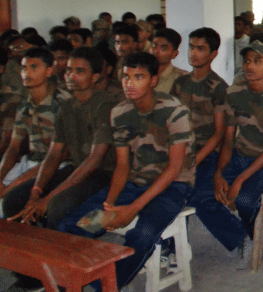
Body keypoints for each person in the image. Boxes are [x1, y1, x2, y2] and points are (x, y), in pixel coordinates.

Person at [58, 52, 195, 290]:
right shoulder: (120, 112)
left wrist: (131, 210)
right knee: (74, 226)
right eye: (125, 76)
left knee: (141, 235)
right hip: (136, 182)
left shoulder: (174, 111)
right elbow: (122, 165)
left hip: (173, 185)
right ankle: (67, 284)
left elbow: (174, 169)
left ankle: (107, 286)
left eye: (138, 77)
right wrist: (109, 206)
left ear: (153, 80)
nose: (129, 83)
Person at [1, 46, 116, 244]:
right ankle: (32, 266)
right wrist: (35, 192)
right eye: (69, 70)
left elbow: (94, 161)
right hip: (75, 169)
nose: (71, 76)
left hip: (103, 174)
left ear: (95, 77)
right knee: (13, 201)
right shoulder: (67, 106)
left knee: (56, 208)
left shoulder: (105, 104)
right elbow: (54, 154)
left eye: (80, 71)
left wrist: (47, 199)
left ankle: (66, 266)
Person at [199, 42, 263, 253]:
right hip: (240, 155)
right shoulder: (234, 92)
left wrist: (239, 180)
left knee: (244, 199)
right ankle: (238, 235)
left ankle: (256, 228)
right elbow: (229, 138)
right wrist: (219, 173)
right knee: (203, 196)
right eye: (247, 61)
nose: (250, 66)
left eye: (257, 61)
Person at [171, 28, 232, 249]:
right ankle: (172, 246)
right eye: (191, 47)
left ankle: (237, 236)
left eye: (200, 48)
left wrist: (193, 161)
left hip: (207, 153)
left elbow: (219, 133)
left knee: (199, 196)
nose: (193, 53)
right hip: (180, 150)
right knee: (165, 191)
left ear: (213, 54)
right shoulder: (180, 84)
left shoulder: (218, 87)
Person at [0, 47, 71, 195]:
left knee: (9, 200)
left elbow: (62, 154)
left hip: (57, 167)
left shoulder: (63, 103)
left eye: (34, 67)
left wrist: (13, 185)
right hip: (31, 162)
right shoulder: (25, 103)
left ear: (49, 71)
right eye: (24, 68)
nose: (26, 73)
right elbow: (13, 147)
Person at [150, 28, 189, 94]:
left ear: (174, 54)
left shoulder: (182, 79)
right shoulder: (142, 73)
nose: (156, 51)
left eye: (164, 48)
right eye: (154, 45)